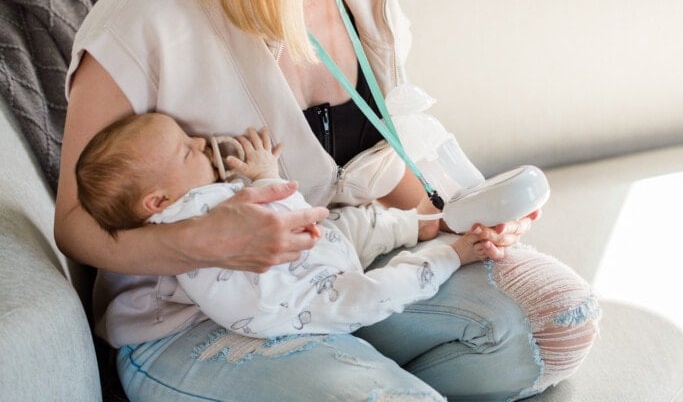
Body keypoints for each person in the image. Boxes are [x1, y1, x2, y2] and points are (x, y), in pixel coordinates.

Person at [54, 0, 600, 400]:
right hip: (196, 318)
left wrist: (458, 216)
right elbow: (75, 224)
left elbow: (372, 165)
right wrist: (199, 241)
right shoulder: (142, 22)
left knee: (561, 321)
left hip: (341, 270)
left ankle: (346, 372)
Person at [76, 112, 494, 337]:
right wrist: (265, 175)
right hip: (299, 302)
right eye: (187, 151)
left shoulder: (195, 203)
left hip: (309, 260)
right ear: (157, 202)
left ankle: (412, 226)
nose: (202, 143)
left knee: (347, 227)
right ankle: (447, 257)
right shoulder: (188, 214)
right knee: (378, 290)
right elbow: (283, 215)